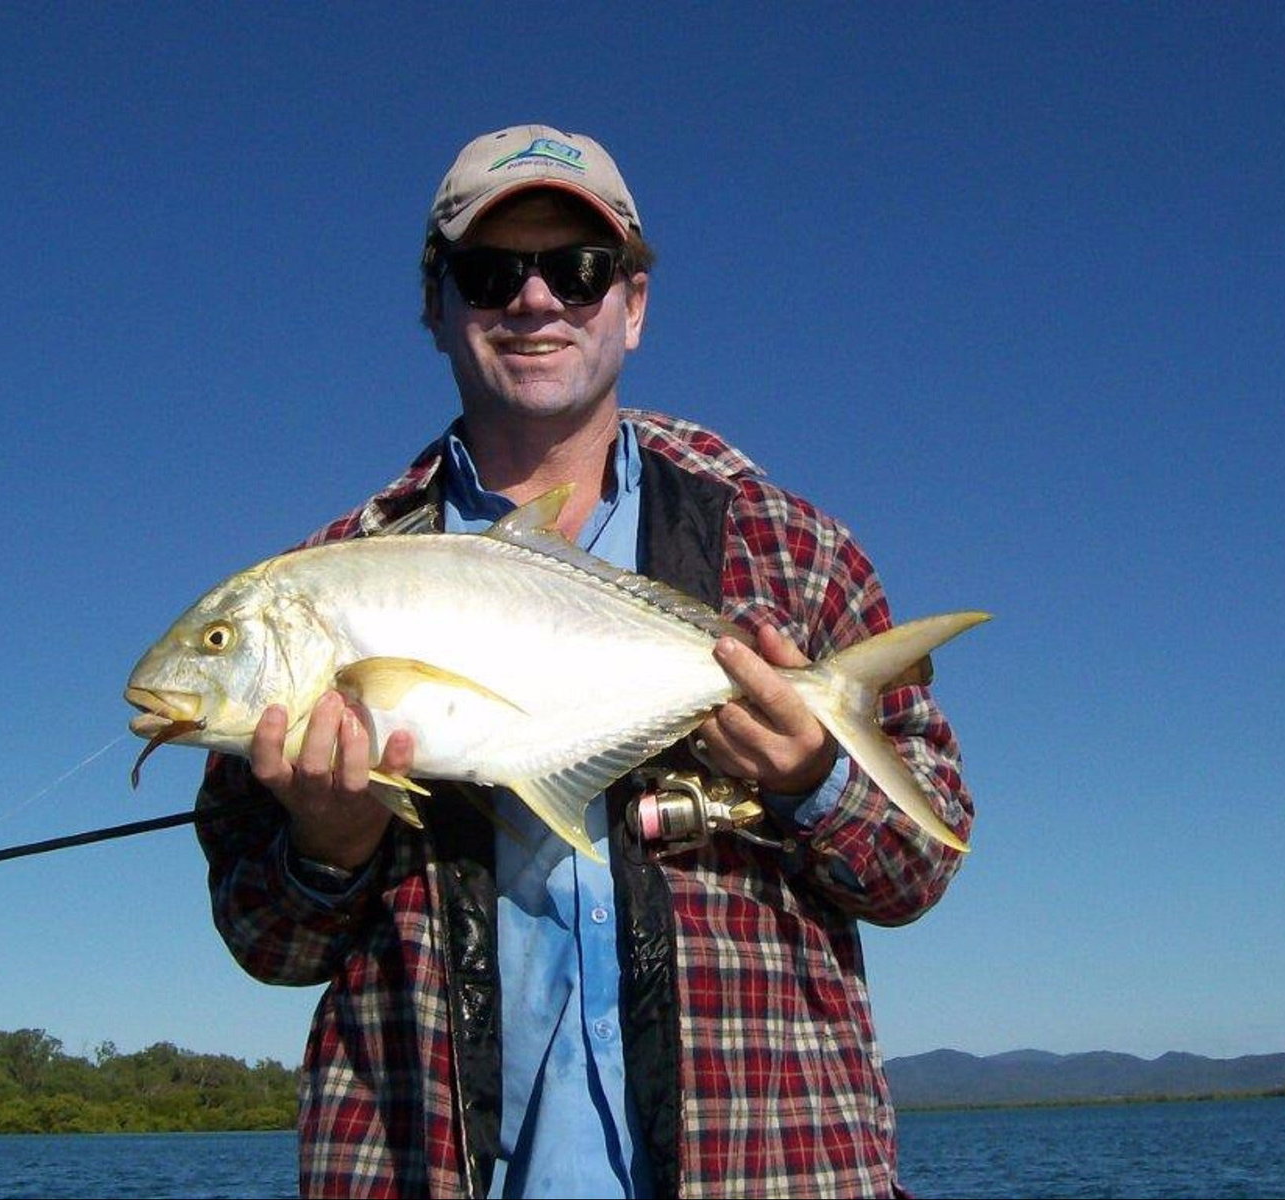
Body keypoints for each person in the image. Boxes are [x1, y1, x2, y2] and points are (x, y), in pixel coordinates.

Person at [194, 123, 973, 1199]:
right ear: (435, 306)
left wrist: (813, 776)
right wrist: (328, 846)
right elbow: (266, 942)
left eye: (579, 269)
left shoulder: (790, 551)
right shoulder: (327, 578)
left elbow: (920, 865)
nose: (535, 300)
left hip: (771, 1165)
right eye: (490, 272)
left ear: (633, 305)